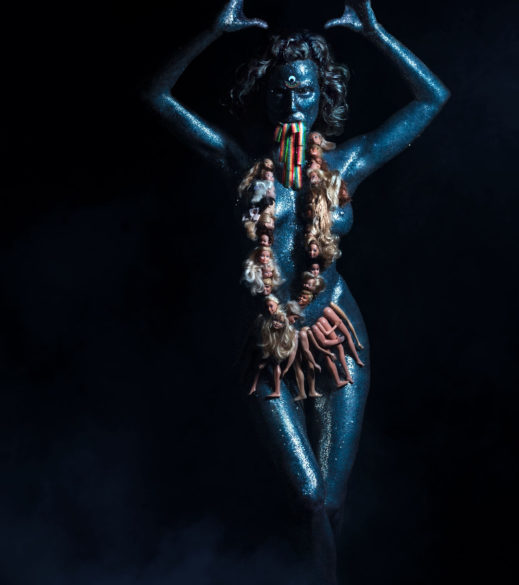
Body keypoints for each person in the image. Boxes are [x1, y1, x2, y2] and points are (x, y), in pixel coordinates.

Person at [143, 1, 449, 582]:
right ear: (266, 95)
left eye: (305, 91)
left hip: (336, 329)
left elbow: (432, 98)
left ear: (321, 95)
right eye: (282, 91)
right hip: (268, 338)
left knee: (331, 500)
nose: (293, 103)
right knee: (309, 497)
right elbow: (157, 98)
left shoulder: (347, 163)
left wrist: (377, 33)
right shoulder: (240, 163)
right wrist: (211, 31)